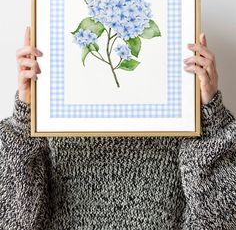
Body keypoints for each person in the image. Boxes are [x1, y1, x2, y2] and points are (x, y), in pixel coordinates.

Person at [0, 26, 235, 230]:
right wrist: (25, 115)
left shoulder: (177, 110)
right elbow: (15, 220)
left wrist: (210, 113)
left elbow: (217, 219)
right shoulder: (56, 109)